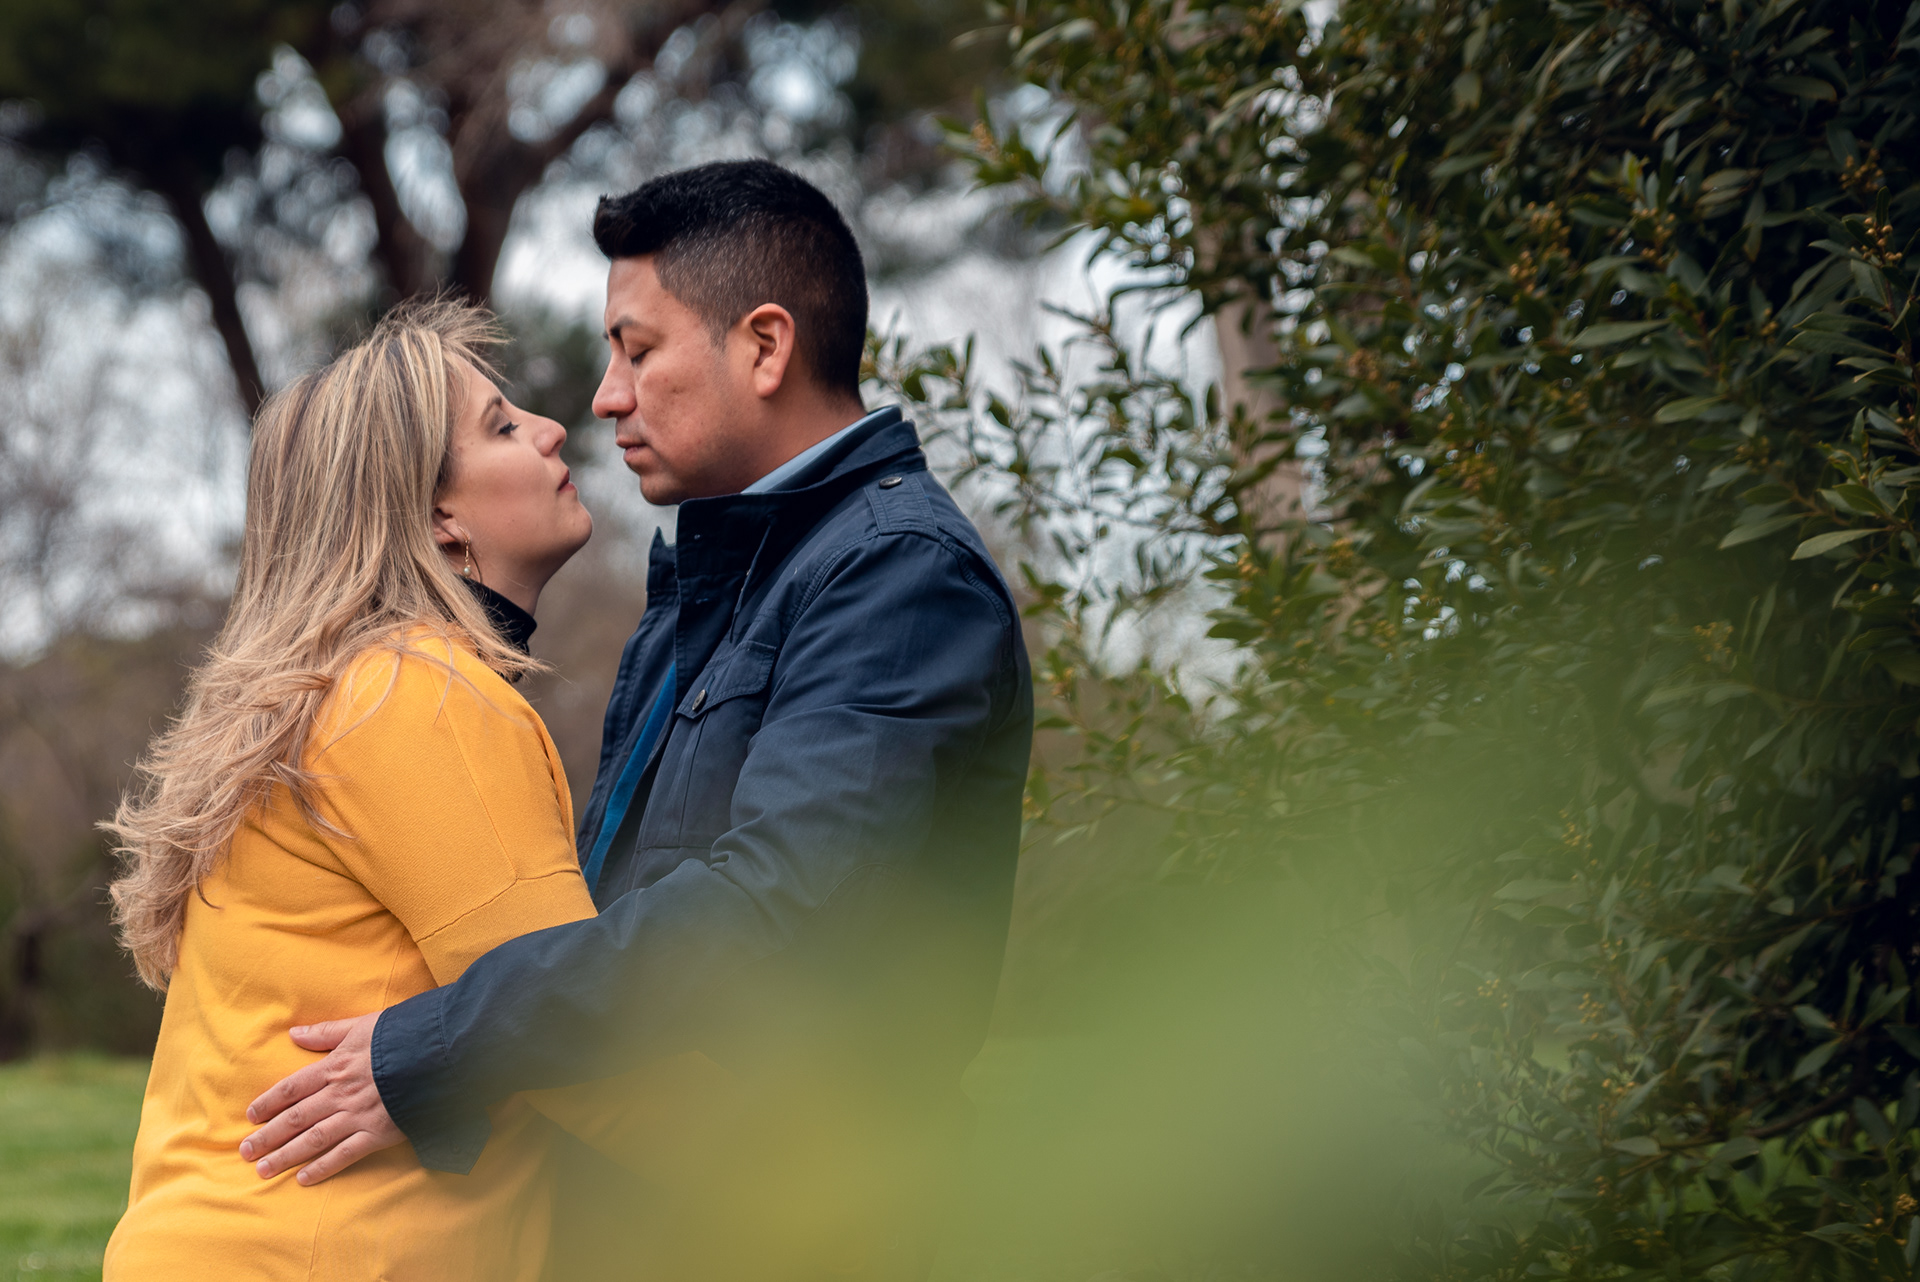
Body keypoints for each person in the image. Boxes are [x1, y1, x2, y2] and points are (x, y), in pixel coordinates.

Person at [240, 159, 1035, 1279]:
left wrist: (438, 1048)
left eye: (639, 349)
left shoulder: (895, 576)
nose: (605, 397)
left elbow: (779, 906)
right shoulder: (712, 587)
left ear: (764, 347)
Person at [102, 301, 601, 1280]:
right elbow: (573, 1024)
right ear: (436, 518)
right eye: (502, 425)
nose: (553, 429)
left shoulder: (346, 690)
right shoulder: (423, 694)